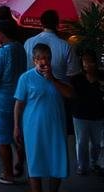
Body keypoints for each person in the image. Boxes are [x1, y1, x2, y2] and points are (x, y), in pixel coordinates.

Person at [15, 44, 75, 192]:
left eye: (47, 58)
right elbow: (18, 105)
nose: (44, 62)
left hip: (56, 127)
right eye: (40, 58)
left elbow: (70, 94)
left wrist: (52, 79)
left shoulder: (58, 77)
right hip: (33, 128)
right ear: (34, 60)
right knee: (35, 165)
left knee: (57, 163)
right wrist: (16, 127)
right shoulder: (26, 78)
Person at [0, 12, 30, 185]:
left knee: (2, 139)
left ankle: (8, 173)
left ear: (2, 33)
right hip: (18, 97)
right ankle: (20, 163)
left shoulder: (1, 53)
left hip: (2, 100)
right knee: (16, 135)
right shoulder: (20, 48)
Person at [67, 47, 103, 176]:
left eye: (90, 61)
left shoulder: (101, 76)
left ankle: (95, 163)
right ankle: (82, 165)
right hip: (80, 114)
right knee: (81, 142)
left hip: (98, 115)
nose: (87, 64)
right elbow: (72, 95)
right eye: (84, 61)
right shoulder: (77, 78)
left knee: (97, 143)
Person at [23, 10, 81, 81]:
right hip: (58, 89)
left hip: (32, 88)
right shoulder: (66, 46)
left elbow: (24, 68)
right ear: (57, 24)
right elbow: (73, 73)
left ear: (41, 23)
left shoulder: (28, 42)